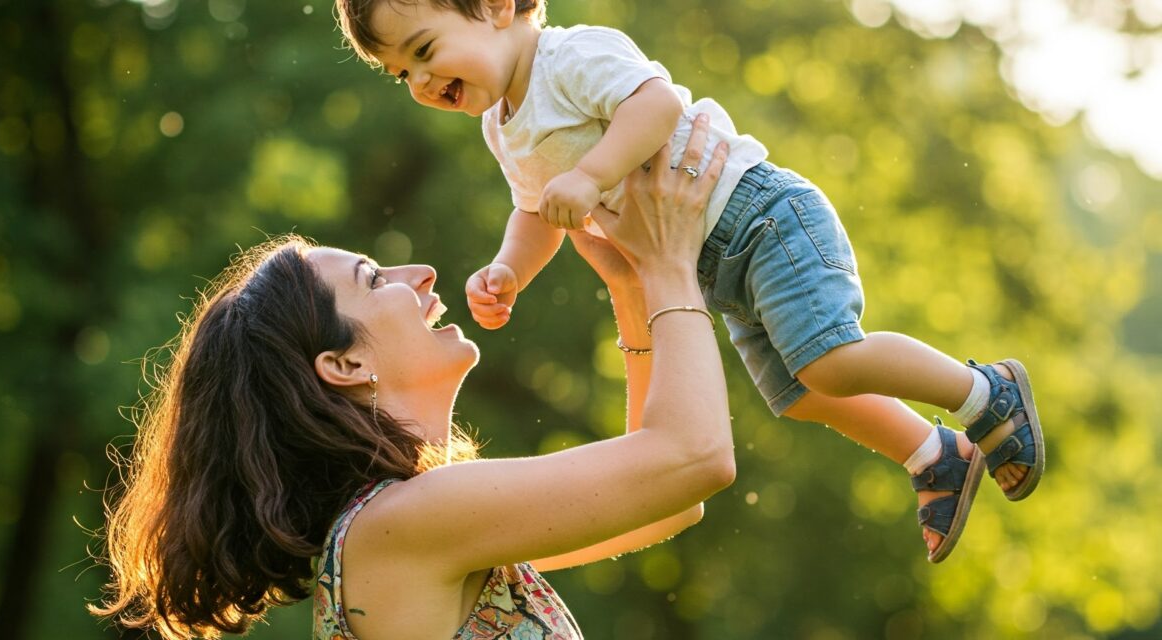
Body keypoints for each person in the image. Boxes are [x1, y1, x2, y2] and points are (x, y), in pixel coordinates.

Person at [333, 0, 1046, 562]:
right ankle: (933, 455)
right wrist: (509, 269)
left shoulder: (570, 56)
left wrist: (591, 174)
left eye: (424, 50)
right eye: (402, 74)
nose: (422, 82)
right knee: (799, 394)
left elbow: (659, 106)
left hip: (758, 217)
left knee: (830, 357)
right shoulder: (501, 125)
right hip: (708, 267)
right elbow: (536, 212)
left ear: (494, 5)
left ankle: (986, 393)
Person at [90, 127, 736, 638]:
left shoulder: (410, 517)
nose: (422, 273)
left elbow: (671, 500)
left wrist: (631, 285)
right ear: (344, 366)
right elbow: (693, 459)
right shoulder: (408, 520)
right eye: (375, 280)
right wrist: (668, 262)